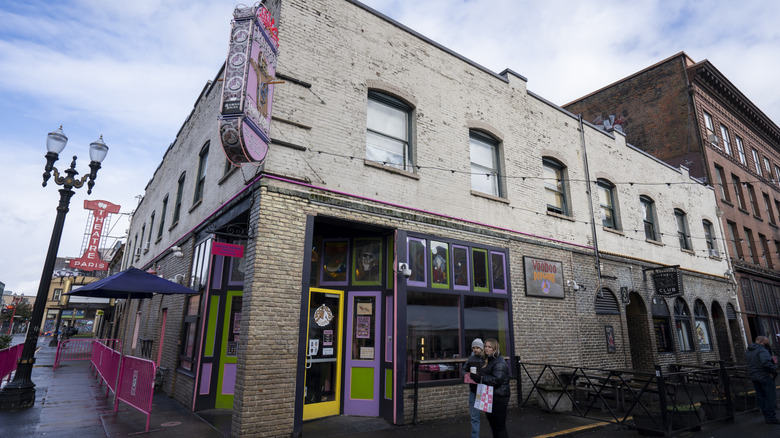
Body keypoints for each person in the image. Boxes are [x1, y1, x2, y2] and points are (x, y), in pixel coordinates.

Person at [469, 338, 510, 438]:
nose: (486, 348)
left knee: (500, 426)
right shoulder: (487, 360)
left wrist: (481, 378)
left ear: (495, 348)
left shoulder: (499, 361)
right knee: (493, 425)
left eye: (489, 347)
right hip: (488, 395)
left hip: (499, 397)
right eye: (485, 346)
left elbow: (497, 380)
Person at [746, 335, 779, 424]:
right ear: (761, 342)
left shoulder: (748, 350)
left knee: (761, 397)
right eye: (766, 343)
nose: (767, 344)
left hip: (754, 376)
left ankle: (766, 416)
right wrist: (773, 370)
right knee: (770, 397)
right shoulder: (762, 350)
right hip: (764, 376)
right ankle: (771, 417)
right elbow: (765, 362)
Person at [463, 338, 485, 438]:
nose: (475, 350)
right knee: (474, 417)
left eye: (477, 347)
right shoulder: (470, 359)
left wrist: (481, 376)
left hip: (485, 391)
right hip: (473, 391)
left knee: (492, 416)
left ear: (482, 348)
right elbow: (463, 370)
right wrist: (469, 375)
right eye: (474, 348)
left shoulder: (487, 359)